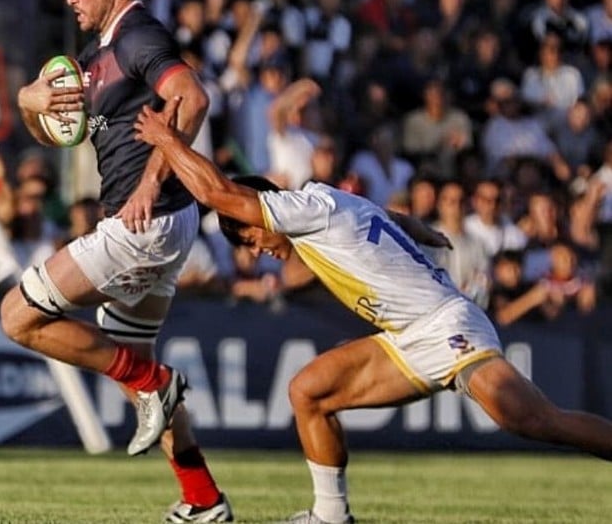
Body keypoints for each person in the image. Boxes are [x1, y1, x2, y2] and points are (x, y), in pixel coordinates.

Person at [134, 96, 612, 524]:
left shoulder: (299, 209)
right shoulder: (329, 199)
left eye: (252, 236)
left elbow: (218, 193)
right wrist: (419, 231)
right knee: (309, 391)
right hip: (410, 335)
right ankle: (330, 515)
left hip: (445, 325)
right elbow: (386, 216)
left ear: (266, 208)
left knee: (532, 419)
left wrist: (167, 141)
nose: (257, 249)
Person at [0, 0, 232, 521]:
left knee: (18, 317)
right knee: (133, 367)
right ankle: (203, 501)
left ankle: (155, 381)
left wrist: (151, 180)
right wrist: (28, 100)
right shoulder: (96, 54)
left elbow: (192, 97)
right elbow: (56, 132)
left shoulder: (137, 37)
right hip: (160, 222)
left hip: (143, 221)